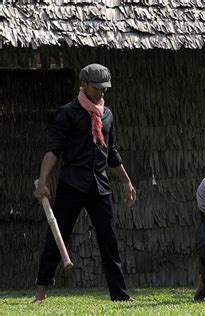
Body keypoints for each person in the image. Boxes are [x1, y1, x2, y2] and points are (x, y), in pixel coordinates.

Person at [32, 64, 137, 303]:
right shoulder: (67, 113)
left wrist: (127, 182)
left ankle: (119, 295)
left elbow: (111, 153)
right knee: (56, 237)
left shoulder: (107, 115)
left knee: (108, 239)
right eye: (97, 88)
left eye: (105, 89)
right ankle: (40, 292)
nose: (101, 93)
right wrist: (43, 181)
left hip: (100, 186)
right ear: (84, 85)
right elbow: (53, 150)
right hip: (72, 184)